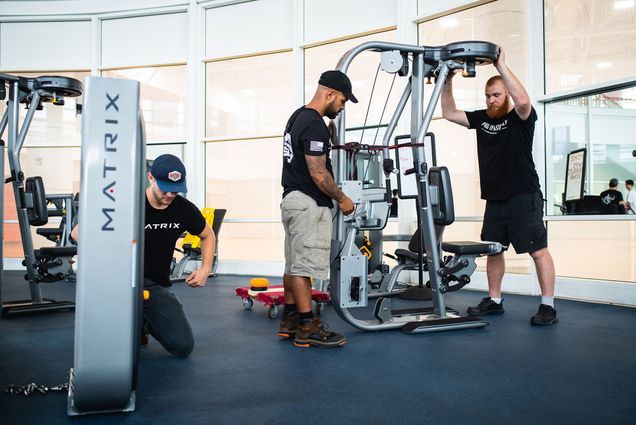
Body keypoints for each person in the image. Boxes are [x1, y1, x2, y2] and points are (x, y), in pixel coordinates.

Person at [441, 46, 557, 326]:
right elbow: (448, 112)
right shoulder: (481, 118)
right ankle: (494, 300)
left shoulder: (520, 118)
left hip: (523, 194)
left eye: (496, 95)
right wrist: (447, 79)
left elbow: (525, 100)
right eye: (488, 96)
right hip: (495, 198)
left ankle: (548, 306)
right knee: (495, 249)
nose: (491, 100)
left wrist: (500, 66)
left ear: (506, 95)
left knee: (538, 250)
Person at [72, 154, 215, 357]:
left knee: (182, 346)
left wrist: (205, 268)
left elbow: (207, 235)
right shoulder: (126, 202)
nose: (170, 194)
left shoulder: (184, 209)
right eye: (165, 187)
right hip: (118, 282)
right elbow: (77, 234)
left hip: (155, 284)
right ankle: (134, 322)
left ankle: (142, 321)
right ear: (151, 177)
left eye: (175, 190)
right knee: (109, 350)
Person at [279, 70, 356, 347]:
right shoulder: (314, 125)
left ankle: (289, 319)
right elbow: (319, 173)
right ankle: (307, 325)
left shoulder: (298, 117)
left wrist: (327, 132)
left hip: (292, 200)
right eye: (343, 101)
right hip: (309, 203)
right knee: (303, 267)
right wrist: (343, 198)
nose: (342, 107)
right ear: (330, 94)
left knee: (293, 263)